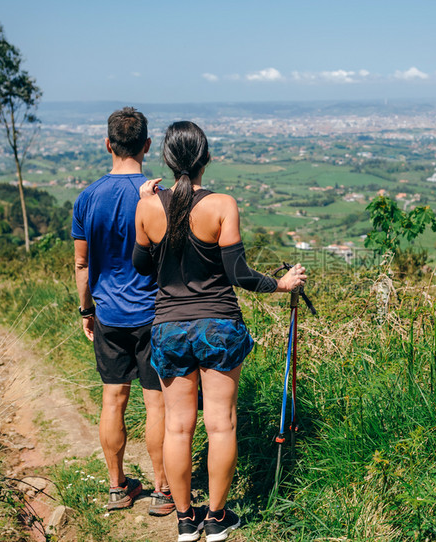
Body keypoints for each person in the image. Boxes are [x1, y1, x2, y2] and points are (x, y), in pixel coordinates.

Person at [133, 121, 306, 542]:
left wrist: (147, 203)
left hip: (169, 327)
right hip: (219, 325)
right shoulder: (222, 205)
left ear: (168, 160)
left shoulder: (147, 207)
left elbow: (141, 268)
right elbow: (238, 274)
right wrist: (280, 284)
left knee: (178, 426)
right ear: (206, 158)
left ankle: (184, 520)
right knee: (221, 424)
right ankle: (216, 517)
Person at [72, 107, 173, 516]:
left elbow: (82, 264)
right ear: (147, 146)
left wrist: (86, 310)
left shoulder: (87, 197)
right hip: (153, 314)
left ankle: (117, 488)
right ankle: (163, 491)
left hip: (108, 314)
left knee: (112, 398)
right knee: (157, 404)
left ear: (108, 144)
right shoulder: (157, 197)